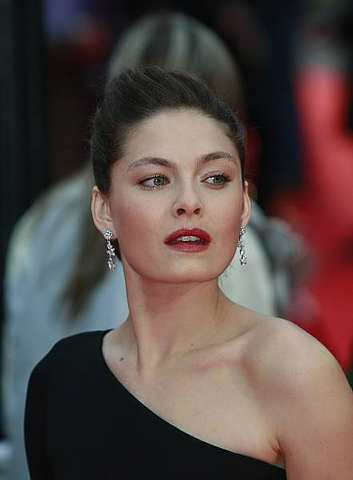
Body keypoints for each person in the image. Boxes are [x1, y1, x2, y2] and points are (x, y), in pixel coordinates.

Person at [3, 13, 298, 480]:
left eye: (213, 176)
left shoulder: (40, 224)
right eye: (155, 177)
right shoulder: (211, 248)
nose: (187, 202)